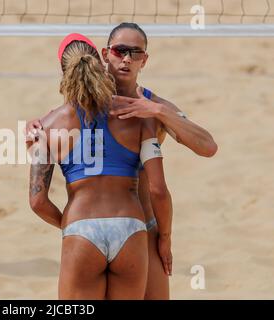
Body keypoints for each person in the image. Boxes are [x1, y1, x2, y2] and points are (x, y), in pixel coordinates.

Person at [26, 23, 218, 299]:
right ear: (105, 55)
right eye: (120, 51)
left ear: (144, 60)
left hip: (146, 229)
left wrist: (160, 111)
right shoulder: (85, 97)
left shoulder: (153, 107)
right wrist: (33, 129)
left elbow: (208, 146)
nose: (126, 58)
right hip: (131, 229)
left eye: (135, 52)